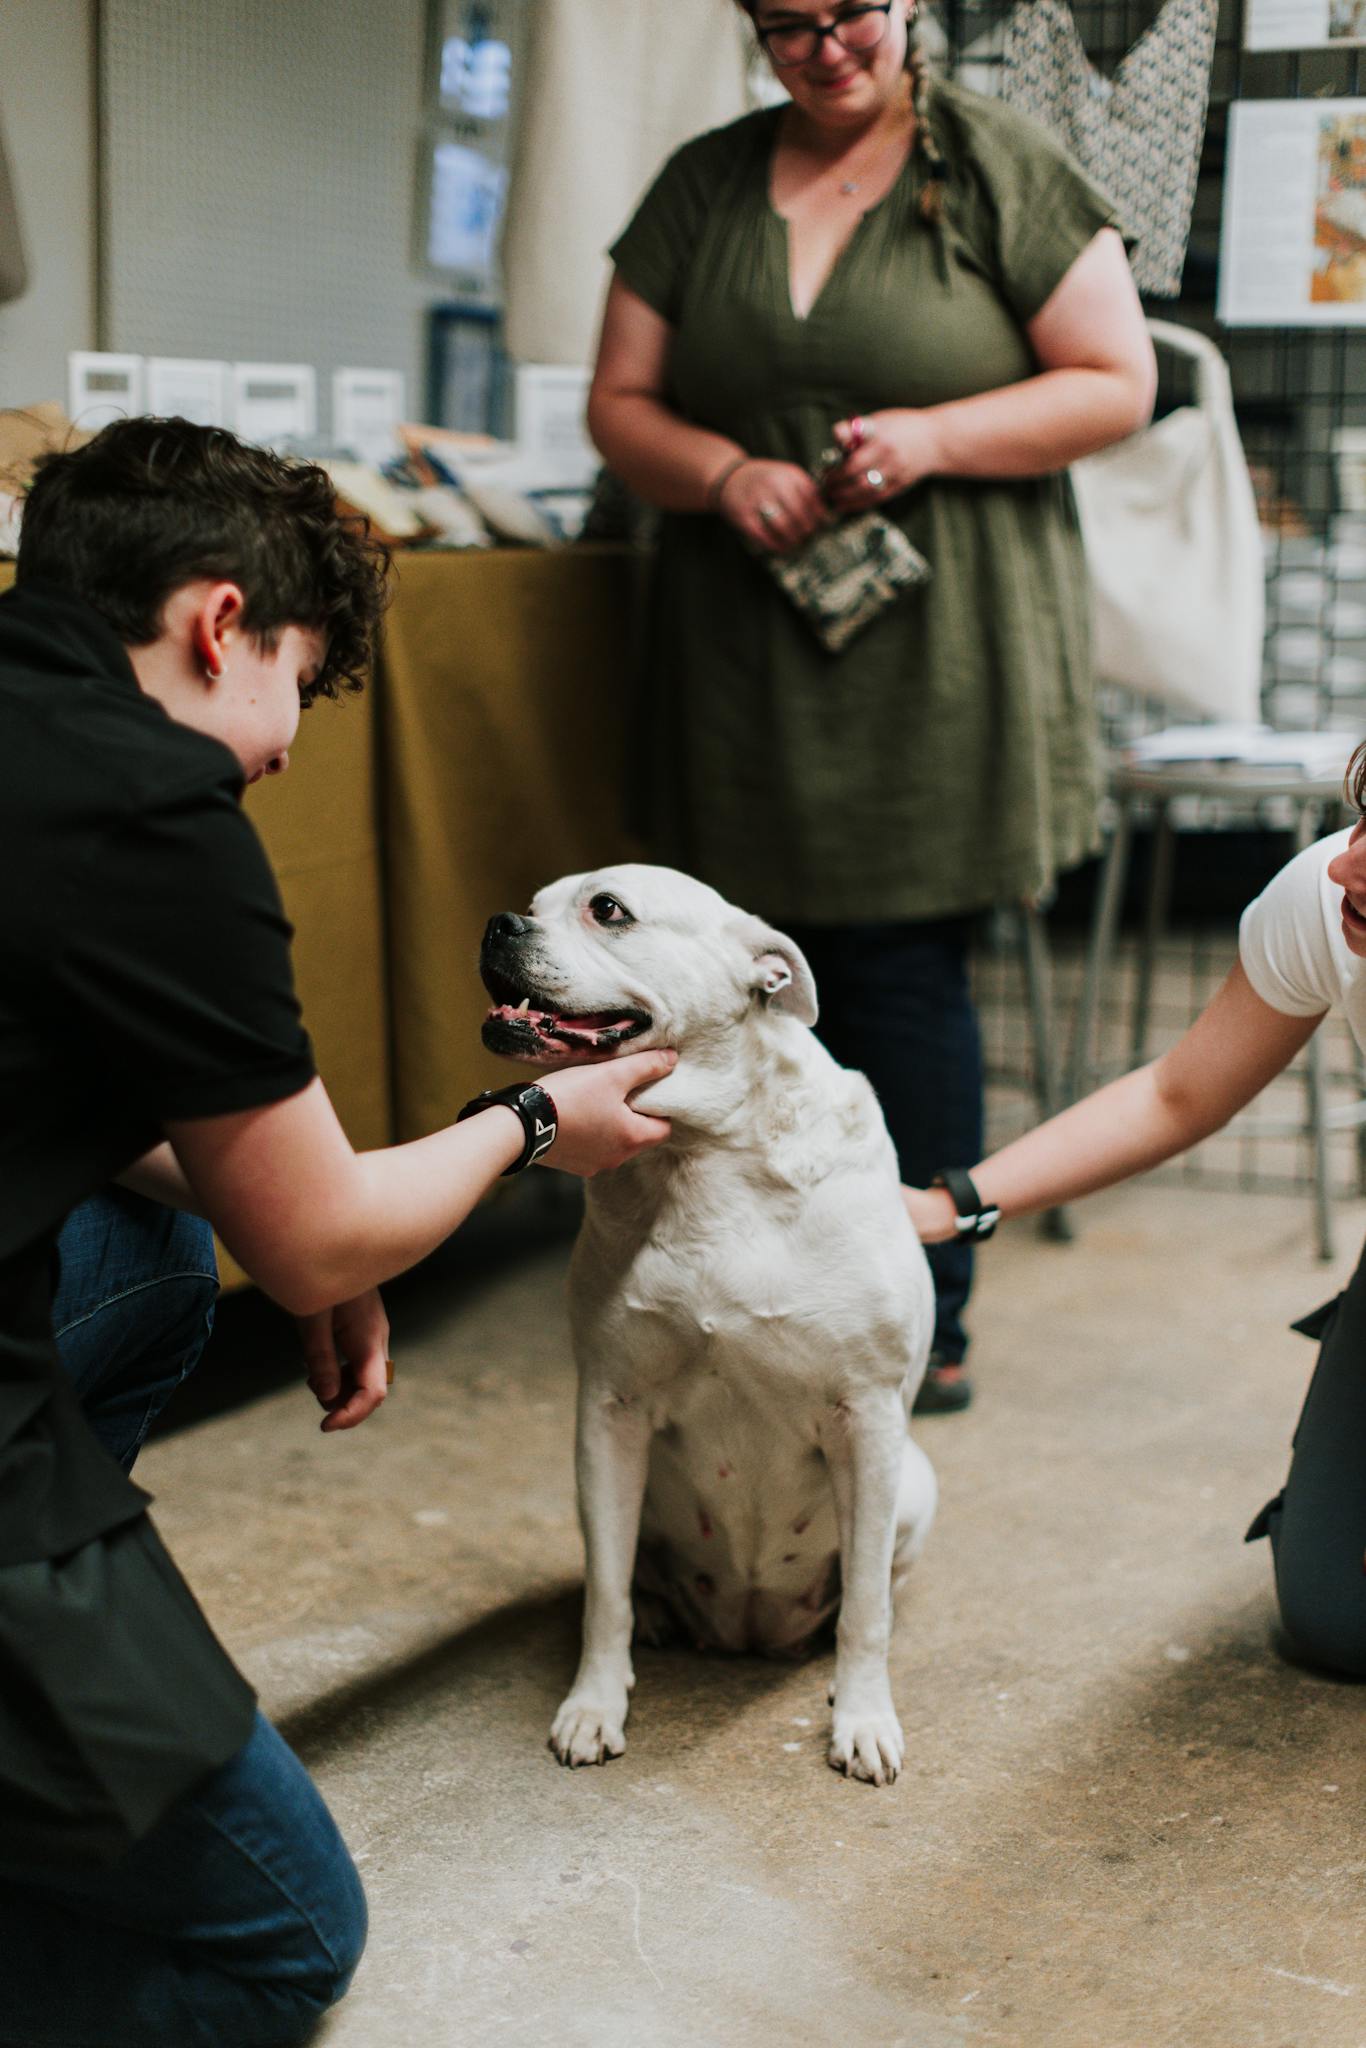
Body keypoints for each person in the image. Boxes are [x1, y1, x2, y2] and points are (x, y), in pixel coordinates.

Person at [0, 415, 676, 2048]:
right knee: (281, 1937)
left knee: (159, 1249)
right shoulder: (151, 813)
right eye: (298, 683)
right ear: (219, 620)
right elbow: (307, 1248)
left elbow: (167, 1148)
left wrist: (330, 1212)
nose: (292, 745)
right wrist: (521, 1128)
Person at [586, 0, 1155, 1413]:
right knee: (720, 969)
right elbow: (619, 402)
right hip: (739, 641)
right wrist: (719, 474)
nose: (825, 45)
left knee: (899, 971)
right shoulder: (702, 183)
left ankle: (920, 1312)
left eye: (852, 13)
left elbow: (1115, 382)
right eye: (787, 24)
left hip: (936, 643)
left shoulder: (999, 163)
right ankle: (726, 1291)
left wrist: (934, 435)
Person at [905, 758, 1366, 1681]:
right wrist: (952, 1204)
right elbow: (1175, 1094)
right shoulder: (1324, 902)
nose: (1349, 867)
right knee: (1334, 1618)